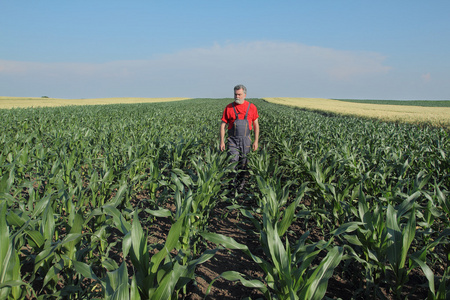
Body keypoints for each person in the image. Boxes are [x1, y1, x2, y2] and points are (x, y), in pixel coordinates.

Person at [219, 84, 259, 190]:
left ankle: (241, 186)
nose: (237, 96)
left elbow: (256, 125)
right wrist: (222, 141)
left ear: (244, 95)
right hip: (233, 140)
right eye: (235, 94)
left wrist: (256, 141)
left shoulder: (252, 107)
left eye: (239, 94)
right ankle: (232, 185)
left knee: (244, 163)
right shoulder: (229, 108)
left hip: (246, 140)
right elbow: (223, 125)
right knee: (233, 162)